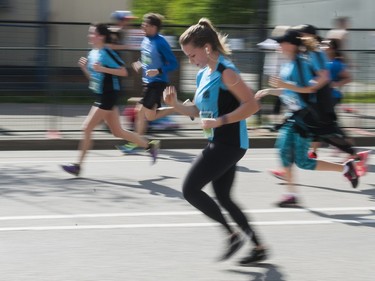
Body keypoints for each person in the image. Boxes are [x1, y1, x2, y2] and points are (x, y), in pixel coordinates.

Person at [163, 18, 267, 266]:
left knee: (190, 189)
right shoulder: (203, 74)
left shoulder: (226, 72)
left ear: (207, 47)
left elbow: (252, 104)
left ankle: (232, 235)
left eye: (192, 54)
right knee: (224, 197)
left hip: (229, 143)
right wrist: (175, 105)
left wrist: (220, 122)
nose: (190, 60)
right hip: (217, 142)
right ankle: (259, 247)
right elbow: (198, 110)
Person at [255, 29, 360, 207]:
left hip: (306, 117)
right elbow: (290, 90)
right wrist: (270, 91)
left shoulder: (301, 63)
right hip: (295, 115)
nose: (279, 45)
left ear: (291, 45)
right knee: (297, 158)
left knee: (292, 154)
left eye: (281, 42)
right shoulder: (287, 64)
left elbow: (308, 89)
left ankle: (292, 194)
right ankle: (344, 169)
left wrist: (283, 85)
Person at [61, 23, 159, 176]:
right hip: (101, 95)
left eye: (92, 33)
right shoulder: (92, 52)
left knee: (86, 128)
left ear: (100, 36)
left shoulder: (107, 52)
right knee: (117, 132)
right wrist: (85, 69)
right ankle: (149, 145)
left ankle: (77, 166)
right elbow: (94, 79)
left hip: (109, 94)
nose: (89, 35)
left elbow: (123, 72)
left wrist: (103, 69)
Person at [117, 13, 178, 153]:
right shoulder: (145, 39)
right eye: (143, 24)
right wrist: (139, 63)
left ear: (154, 27)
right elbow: (146, 57)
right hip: (148, 82)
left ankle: (136, 143)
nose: (142, 26)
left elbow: (174, 64)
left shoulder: (161, 42)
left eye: (146, 24)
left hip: (157, 82)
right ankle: (180, 107)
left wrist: (158, 70)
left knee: (139, 112)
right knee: (150, 116)